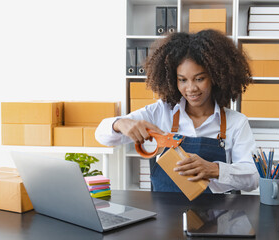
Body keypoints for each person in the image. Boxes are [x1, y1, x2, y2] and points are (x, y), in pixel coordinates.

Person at [95, 29, 259, 193]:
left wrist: (215, 169)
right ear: (173, 80)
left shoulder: (236, 122)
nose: (191, 88)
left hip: (219, 213)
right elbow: (101, 135)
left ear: (216, 76)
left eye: (199, 79)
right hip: (166, 213)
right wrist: (119, 123)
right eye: (182, 80)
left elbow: (253, 178)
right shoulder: (160, 112)